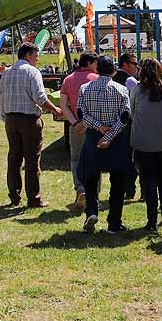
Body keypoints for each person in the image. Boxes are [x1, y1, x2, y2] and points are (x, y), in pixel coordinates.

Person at [0, 43, 63, 207]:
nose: (37, 58)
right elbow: (40, 98)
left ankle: (14, 195)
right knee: (32, 160)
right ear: (28, 55)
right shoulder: (32, 72)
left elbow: (1, 98)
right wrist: (55, 109)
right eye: (35, 55)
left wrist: (6, 118)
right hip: (28, 120)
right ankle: (34, 198)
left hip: (11, 120)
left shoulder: (6, 73)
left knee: (14, 158)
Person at [74, 57, 134, 234]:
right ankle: (114, 223)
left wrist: (99, 128)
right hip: (115, 141)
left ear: (97, 70)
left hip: (93, 138)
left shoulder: (85, 88)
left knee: (90, 178)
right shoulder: (122, 89)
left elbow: (81, 114)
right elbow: (125, 116)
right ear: (114, 71)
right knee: (118, 182)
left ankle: (91, 211)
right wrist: (109, 135)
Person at [130, 58, 162, 233]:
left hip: (143, 141)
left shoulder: (137, 89)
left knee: (148, 180)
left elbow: (132, 113)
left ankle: (151, 220)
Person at [59, 53, 99, 211]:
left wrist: (75, 122)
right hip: (95, 126)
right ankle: (93, 194)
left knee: (76, 159)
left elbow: (64, 105)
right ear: (89, 63)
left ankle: (80, 188)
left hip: (76, 126)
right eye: (95, 63)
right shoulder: (97, 79)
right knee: (95, 160)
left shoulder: (68, 79)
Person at [114, 52, 141, 199]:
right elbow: (139, 100)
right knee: (133, 157)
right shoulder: (130, 81)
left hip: (113, 123)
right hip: (128, 123)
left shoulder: (112, 77)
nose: (137, 66)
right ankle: (130, 188)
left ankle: (124, 188)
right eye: (134, 63)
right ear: (125, 64)